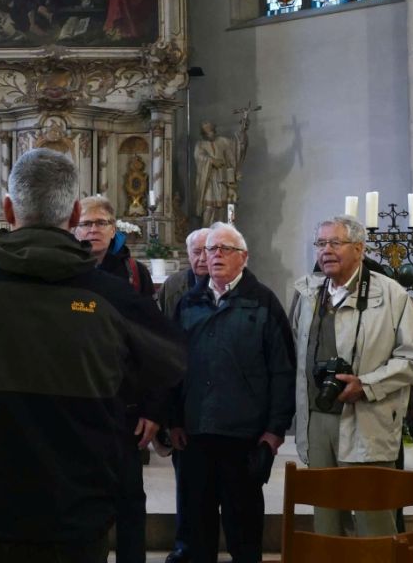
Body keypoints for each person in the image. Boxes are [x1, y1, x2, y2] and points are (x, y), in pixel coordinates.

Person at [0, 149, 187, 563]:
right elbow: (169, 361)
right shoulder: (111, 297)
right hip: (77, 505)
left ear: (7, 210)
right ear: (74, 214)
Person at [288, 215, 413, 537]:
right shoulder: (308, 293)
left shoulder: (390, 295)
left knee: (372, 518)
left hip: (368, 417)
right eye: (321, 243)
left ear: (359, 249)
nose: (326, 251)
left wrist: (366, 385)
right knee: (325, 518)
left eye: (335, 243)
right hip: (318, 419)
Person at [169, 223, 296, 563]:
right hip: (195, 431)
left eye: (226, 249)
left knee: (244, 531)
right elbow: (173, 366)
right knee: (197, 530)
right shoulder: (189, 302)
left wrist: (275, 430)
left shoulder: (263, 302)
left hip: (245, 435)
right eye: (211, 249)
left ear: (244, 257)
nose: (216, 255)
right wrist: (174, 419)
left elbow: (283, 370)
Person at [73, 194, 158, 563]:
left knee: (129, 500)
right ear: (74, 229)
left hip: (124, 407)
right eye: (86, 224)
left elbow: (152, 346)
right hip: (75, 407)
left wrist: (153, 409)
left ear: (114, 229)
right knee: (79, 501)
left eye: (101, 223)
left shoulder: (134, 274)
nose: (93, 230)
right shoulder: (63, 271)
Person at [157, 227, 208, 563]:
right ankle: (186, 546)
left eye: (208, 250)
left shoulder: (244, 289)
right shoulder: (174, 286)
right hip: (184, 397)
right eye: (196, 252)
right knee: (187, 484)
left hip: (224, 403)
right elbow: (161, 339)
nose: (203, 258)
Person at [194, 121, 246, 227]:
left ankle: (221, 233)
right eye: (207, 133)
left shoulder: (223, 142)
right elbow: (199, 157)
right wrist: (212, 161)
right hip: (208, 180)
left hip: (222, 180)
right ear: (203, 134)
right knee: (208, 208)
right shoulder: (200, 145)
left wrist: (243, 133)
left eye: (211, 131)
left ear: (214, 131)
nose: (210, 134)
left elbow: (236, 151)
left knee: (222, 209)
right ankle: (206, 232)